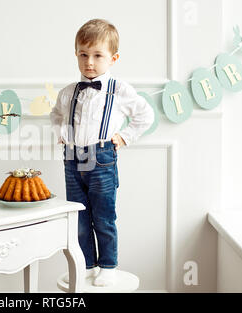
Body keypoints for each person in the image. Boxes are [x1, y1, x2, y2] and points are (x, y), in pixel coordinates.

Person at [50, 19, 154, 287]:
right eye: (83, 54)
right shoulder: (68, 91)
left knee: (104, 216)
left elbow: (146, 115)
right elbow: (56, 115)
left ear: (113, 58)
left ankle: (108, 265)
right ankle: (86, 264)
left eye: (98, 55)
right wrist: (62, 131)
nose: (89, 62)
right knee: (80, 216)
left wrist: (124, 137)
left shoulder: (119, 90)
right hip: (72, 160)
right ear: (76, 54)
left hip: (102, 159)